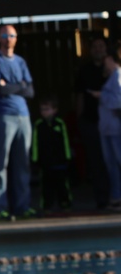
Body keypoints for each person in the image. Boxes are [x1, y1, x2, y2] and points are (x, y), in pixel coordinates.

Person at [0, 25, 36, 221]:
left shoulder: (20, 61)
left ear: (16, 38)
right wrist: (19, 86)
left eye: (12, 35)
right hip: (2, 116)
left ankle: (22, 206)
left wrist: (10, 86)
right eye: (4, 35)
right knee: (0, 163)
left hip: (23, 115)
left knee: (23, 163)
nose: (8, 39)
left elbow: (30, 91)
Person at [73, 36, 111, 209]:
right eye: (94, 46)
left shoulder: (113, 70)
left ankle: (115, 196)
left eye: (101, 46)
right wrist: (80, 121)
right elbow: (80, 96)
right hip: (91, 121)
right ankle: (102, 199)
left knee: (114, 160)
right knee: (96, 162)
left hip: (112, 122)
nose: (98, 49)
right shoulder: (85, 70)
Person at [31, 97, 72, 212]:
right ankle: (47, 205)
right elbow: (35, 143)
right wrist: (35, 159)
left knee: (62, 184)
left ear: (54, 110)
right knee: (46, 186)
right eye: (42, 109)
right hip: (45, 163)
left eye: (47, 109)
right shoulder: (39, 125)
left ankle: (65, 203)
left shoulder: (60, 123)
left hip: (60, 162)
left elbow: (65, 141)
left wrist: (67, 157)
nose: (44, 112)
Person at [97, 51, 121, 212]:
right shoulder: (112, 76)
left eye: (107, 60)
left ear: (111, 60)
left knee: (118, 162)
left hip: (115, 128)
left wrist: (101, 95)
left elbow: (118, 101)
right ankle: (117, 197)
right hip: (108, 128)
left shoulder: (118, 75)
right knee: (112, 165)